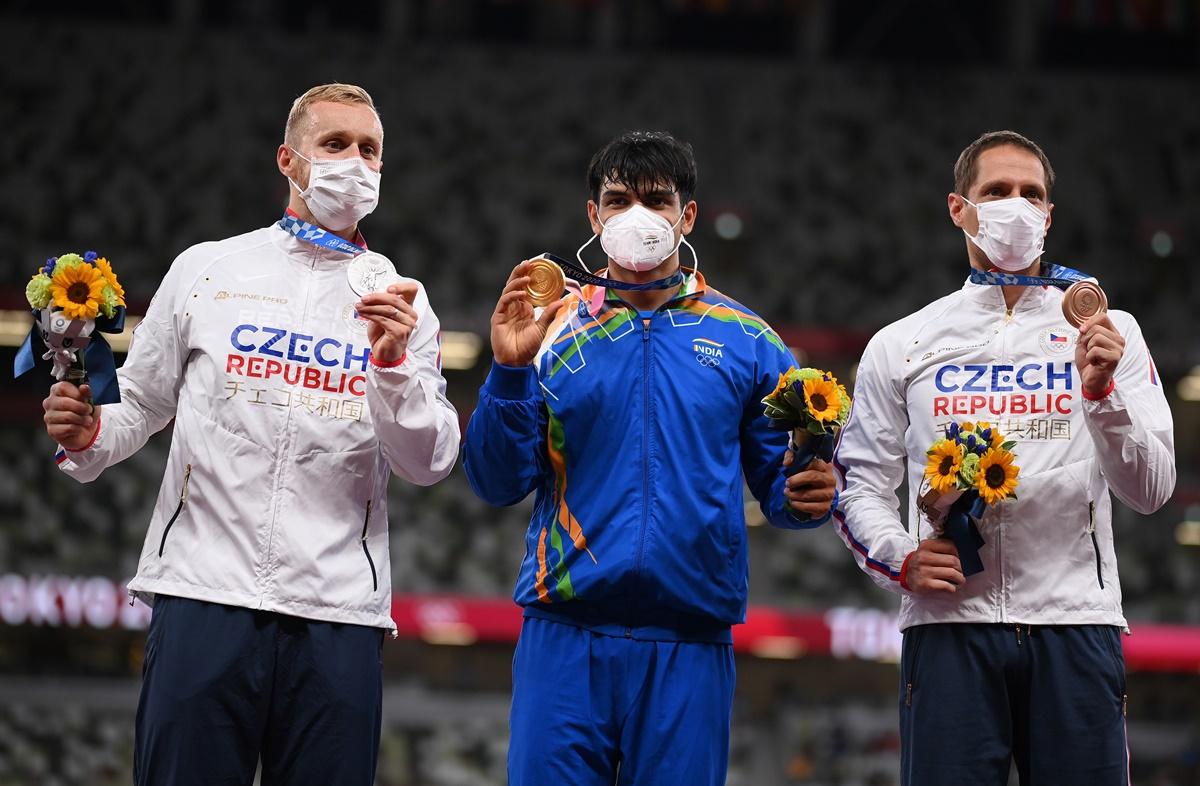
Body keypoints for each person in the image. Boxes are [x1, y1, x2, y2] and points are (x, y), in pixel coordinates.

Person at [41, 83, 460, 785]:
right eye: (335, 144)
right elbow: (139, 406)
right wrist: (87, 436)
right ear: (289, 161)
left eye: (370, 150)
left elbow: (431, 459)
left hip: (337, 612)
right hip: (205, 593)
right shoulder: (208, 270)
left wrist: (390, 367)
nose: (354, 162)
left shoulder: (401, 301)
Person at [463, 130, 837, 785]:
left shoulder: (750, 341)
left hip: (690, 642)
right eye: (618, 199)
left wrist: (810, 489)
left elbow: (783, 500)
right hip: (564, 633)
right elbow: (497, 482)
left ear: (686, 216)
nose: (638, 216)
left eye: (657, 200)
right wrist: (507, 370)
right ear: (593, 216)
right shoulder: (550, 328)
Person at [833, 130, 1175, 785]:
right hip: (948, 627)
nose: (1016, 207)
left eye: (1032, 195)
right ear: (959, 208)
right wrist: (900, 558)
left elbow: (1152, 489)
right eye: (997, 192)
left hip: (1076, 623)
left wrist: (1102, 397)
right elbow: (861, 487)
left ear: (1048, 217)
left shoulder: (1110, 331)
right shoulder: (900, 343)